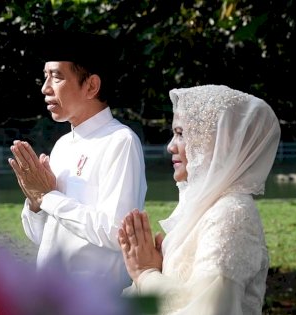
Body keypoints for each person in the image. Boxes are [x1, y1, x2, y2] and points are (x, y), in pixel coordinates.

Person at [118, 85, 281, 314]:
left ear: (217, 143)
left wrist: (146, 274)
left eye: (181, 133)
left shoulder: (231, 214)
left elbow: (209, 309)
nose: (170, 146)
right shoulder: (207, 207)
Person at [7, 31, 147, 289]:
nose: (45, 88)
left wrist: (49, 197)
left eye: (57, 76)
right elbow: (44, 237)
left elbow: (117, 233)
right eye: (45, 76)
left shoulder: (120, 141)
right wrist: (36, 202)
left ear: (91, 86)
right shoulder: (62, 145)